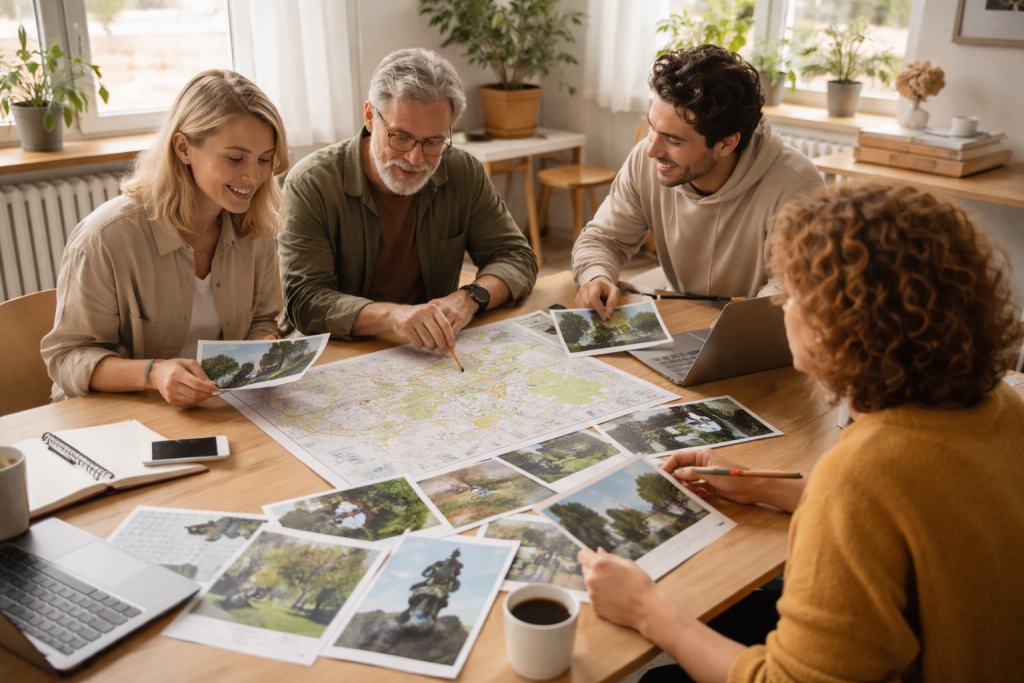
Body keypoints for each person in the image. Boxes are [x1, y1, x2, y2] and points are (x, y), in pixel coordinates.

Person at [578, 182, 1024, 682]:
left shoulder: (862, 472)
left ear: (840, 326)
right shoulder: (1001, 403)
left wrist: (644, 608)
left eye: (793, 295)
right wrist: (760, 485)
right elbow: (909, 511)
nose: (781, 307)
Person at [41, 70, 289, 406]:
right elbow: (67, 358)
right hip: (114, 417)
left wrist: (263, 342)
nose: (254, 176)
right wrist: (153, 374)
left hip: (214, 409)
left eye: (264, 159)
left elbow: (260, 319)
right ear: (184, 147)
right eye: (235, 158)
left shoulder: (254, 227)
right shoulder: (107, 238)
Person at [278, 48, 538, 351]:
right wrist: (393, 316)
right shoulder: (310, 184)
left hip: (422, 353)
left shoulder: (463, 172)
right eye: (400, 137)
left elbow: (516, 257)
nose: (415, 158)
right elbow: (305, 300)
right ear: (370, 116)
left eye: (433, 142)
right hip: (332, 353)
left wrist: (468, 298)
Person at [573, 45, 824, 319]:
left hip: (750, 333)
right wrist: (596, 275)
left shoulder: (798, 185)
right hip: (681, 318)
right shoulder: (646, 162)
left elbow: (790, 289)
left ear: (727, 142)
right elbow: (604, 240)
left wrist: (731, 330)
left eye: (673, 139)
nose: (651, 150)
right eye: (652, 128)